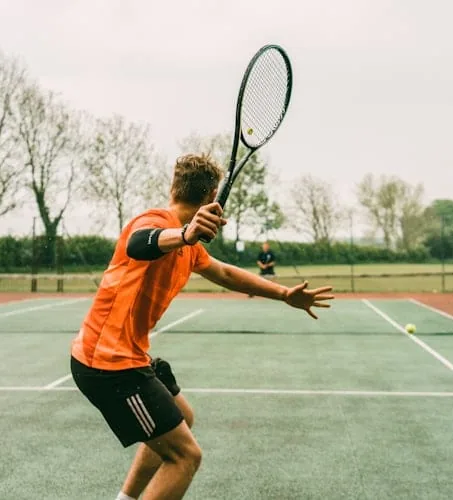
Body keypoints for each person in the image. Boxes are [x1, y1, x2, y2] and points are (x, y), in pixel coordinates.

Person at [70, 153, 334, 500]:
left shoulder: (190, 247)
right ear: (212, 197)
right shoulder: (154, 222)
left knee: (182, 416)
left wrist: (285, 294)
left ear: (173, 187)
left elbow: (224, 273)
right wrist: (184, 232)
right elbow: (140, 243)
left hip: (125, 356)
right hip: (106, 365)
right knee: (185, 457)